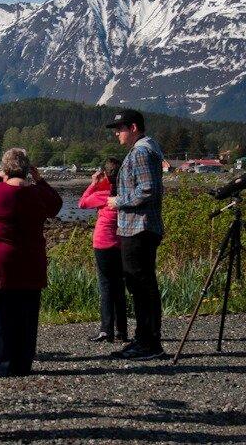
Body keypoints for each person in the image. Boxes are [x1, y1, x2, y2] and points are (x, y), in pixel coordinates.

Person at [0, 148, 62, 376]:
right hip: (29, 262)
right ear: (27, 170)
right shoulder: (37, 195)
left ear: (5, 169)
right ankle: (22, 364)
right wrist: (40, 181)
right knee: (26, 317)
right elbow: (56, 205)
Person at [105, 109, 166, 360]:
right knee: (139, 284)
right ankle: (144, 339)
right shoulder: (145, 150)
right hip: (137, 226)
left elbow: (148, 189)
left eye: (119, 129)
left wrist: (118, 201)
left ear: (133, 128)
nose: (116, 134)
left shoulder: (141, 152)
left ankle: (149, 343)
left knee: (141, 285)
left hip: (139, 227)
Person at [78, 157, 127, 344]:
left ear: (105, 174)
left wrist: (93, 183)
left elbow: (82, 203)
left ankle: (106, 330)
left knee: (106, 287)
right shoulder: (124, 194)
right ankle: (122, 330)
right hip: (121, 243)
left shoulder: (103, 194)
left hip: (103, 244)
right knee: (119, 287)